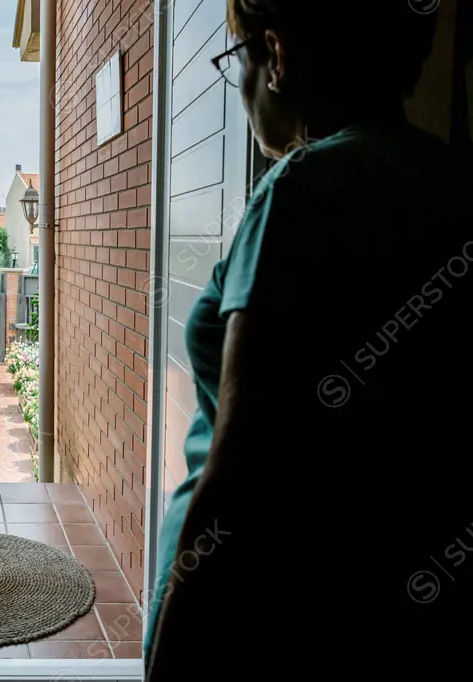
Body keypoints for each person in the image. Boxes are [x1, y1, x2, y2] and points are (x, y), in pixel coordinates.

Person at [145, 2, 471, 681]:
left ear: (279, 55)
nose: (238, 87)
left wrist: (171, 642)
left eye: (239, 61)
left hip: (254, 616)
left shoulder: (298, 191)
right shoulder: (451, 183)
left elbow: (241, 466)